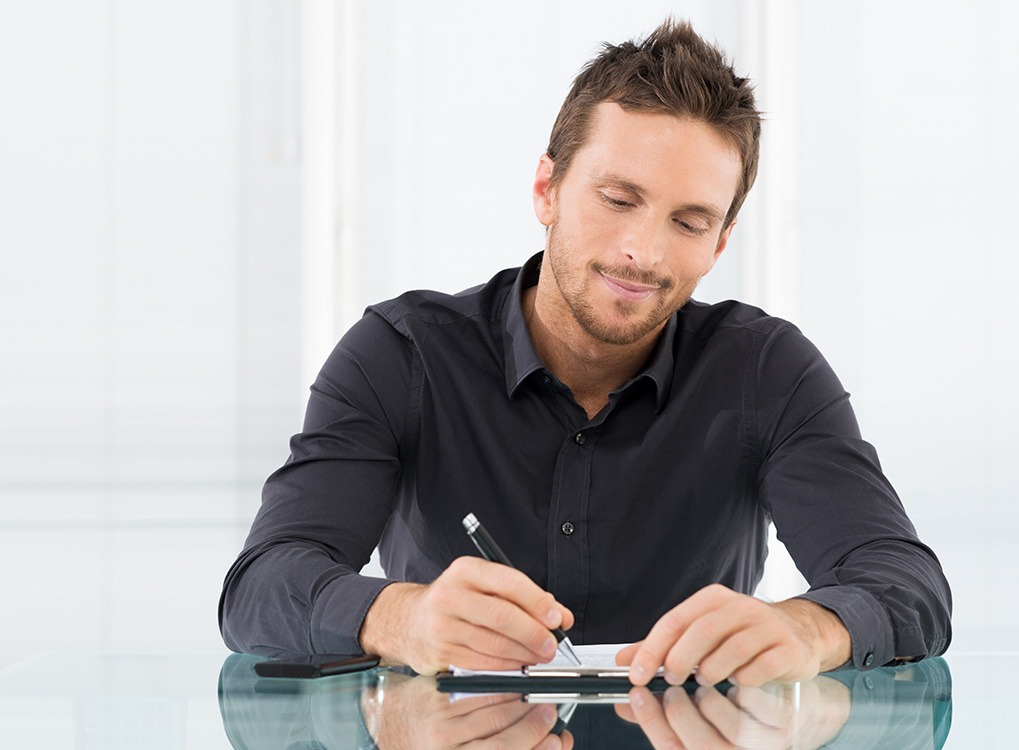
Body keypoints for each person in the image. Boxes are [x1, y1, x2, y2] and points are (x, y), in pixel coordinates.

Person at [219, 19, 951, 691]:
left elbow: (904, 582)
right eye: (617, 198)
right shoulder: (401, 354)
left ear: (719, 243)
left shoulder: (767, 371)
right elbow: (261, 586)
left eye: (688, 221)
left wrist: (806, 627)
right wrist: (399, 618)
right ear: (547, 189)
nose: (643, 251)